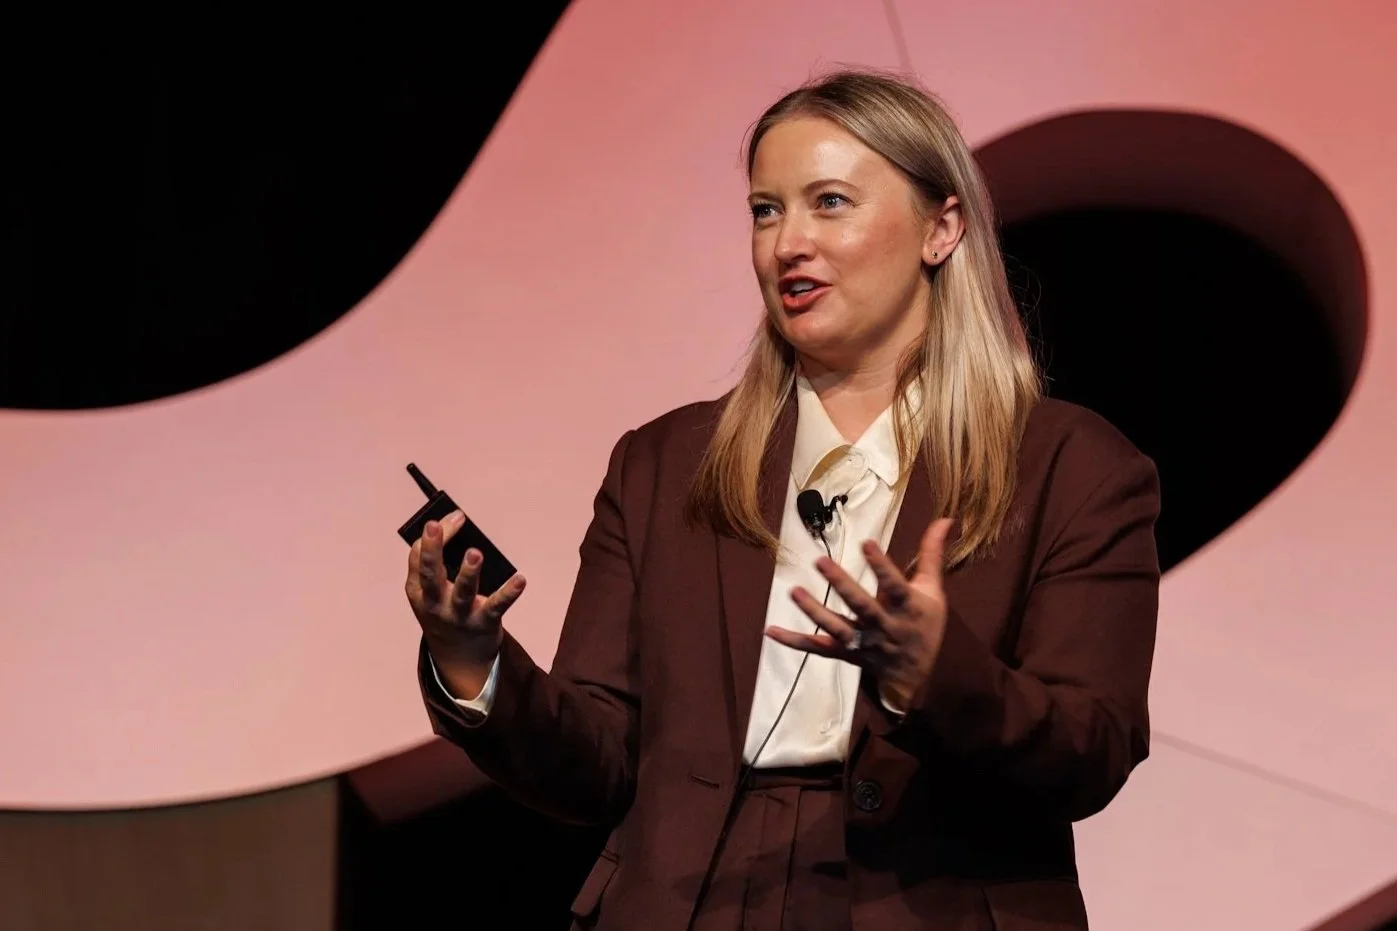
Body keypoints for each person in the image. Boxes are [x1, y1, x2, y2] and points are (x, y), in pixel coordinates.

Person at [404, 66, 1160, 931]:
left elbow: (1092, 745)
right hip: (695, 898)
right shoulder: (664, 465)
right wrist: (475, 663)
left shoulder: (1068, 463)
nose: (786, 244)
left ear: (941, 228)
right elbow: (596, 766)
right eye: (766, 211)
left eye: (829, 202)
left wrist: (935, 676)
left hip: (932, 899)